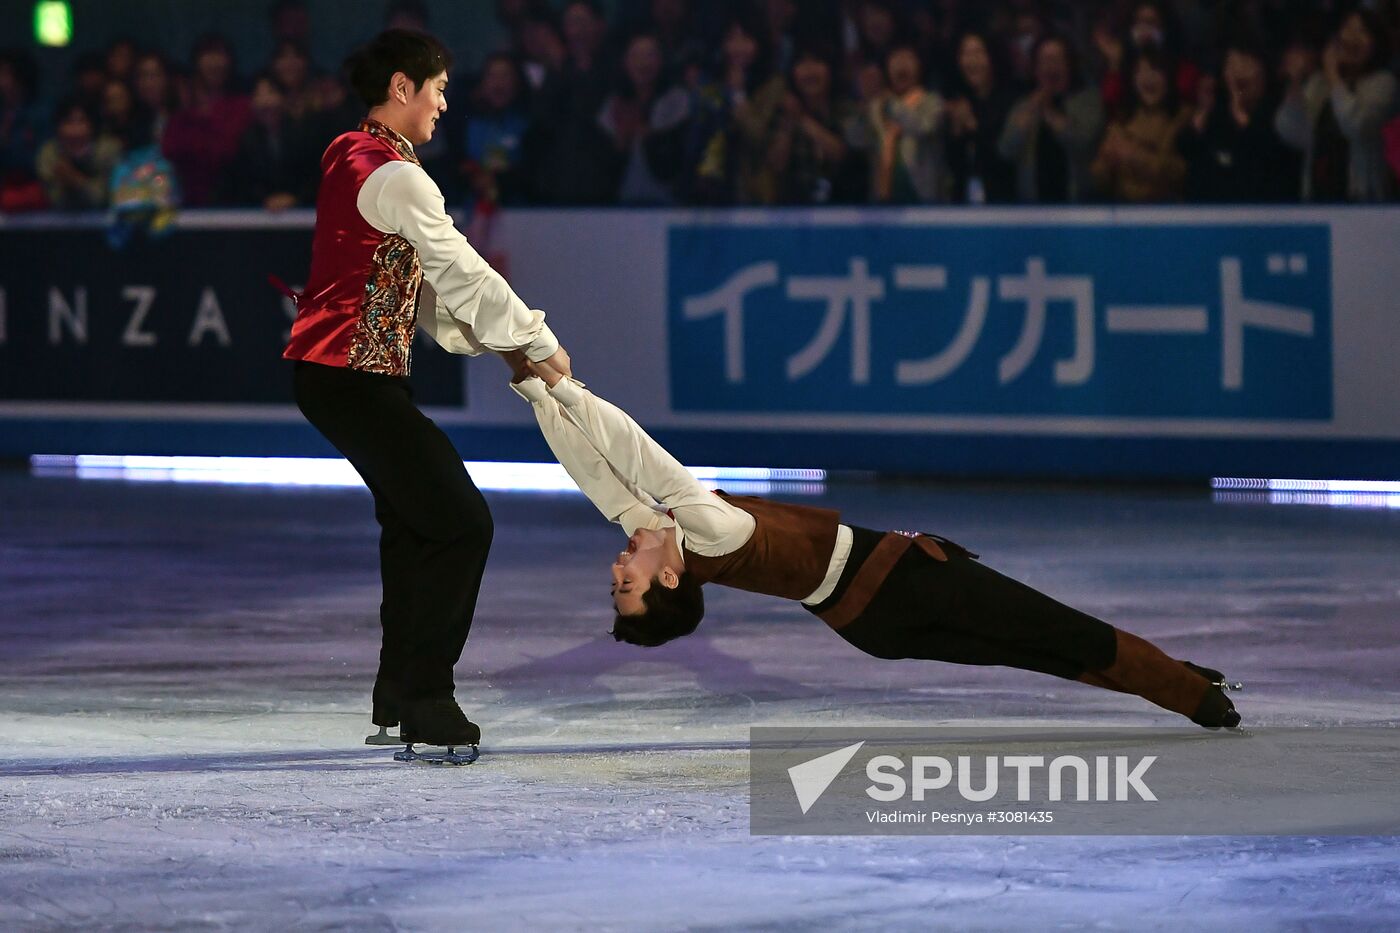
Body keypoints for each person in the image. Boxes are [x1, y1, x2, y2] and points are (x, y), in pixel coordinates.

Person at [507, 358, 1243, 730]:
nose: (616, 568)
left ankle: (1186, 680)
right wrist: (567, 387)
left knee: (1033, 647)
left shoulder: (649, 527)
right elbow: (636, 452)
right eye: (625, 584)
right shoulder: (708, 531)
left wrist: (537, 393)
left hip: (870, 625)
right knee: (1049, 630)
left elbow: (590, 467)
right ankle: (1196, 697)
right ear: (667, 582)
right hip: (901, 587)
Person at [282, 29, 571, 748]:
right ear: (403, 87)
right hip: (350, 377)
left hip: (345, 376)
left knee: (416, 525)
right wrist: (536, 340)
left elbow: (415, 287)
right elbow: (460, 270)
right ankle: (426, 697)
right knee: (461, 521)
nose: (445, 103)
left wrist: (504, 347)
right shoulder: (398, 176)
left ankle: (398, 689)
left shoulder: (353, 154)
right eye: (438, 89)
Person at [1276, 9, 1398, 203]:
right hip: (1318, 197)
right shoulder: (1319, 83)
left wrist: (1333, 74)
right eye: (1348, 29)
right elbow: (1293, 134)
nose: (1352, 38)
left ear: (1376, 43)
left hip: (1362, 201)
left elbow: (1356, 126)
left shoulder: (1383, 84)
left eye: (1362, 31)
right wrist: (1295, 83)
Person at [1179, 41, 1295, 203]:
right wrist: (1203, 111)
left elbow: (1268, 154)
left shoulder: (1279, 112)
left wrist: (1240, 114)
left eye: (1246, 63)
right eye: (1232, 64)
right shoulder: (1217, 113)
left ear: (1264, 70)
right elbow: (1185, 148)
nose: (1238, 71)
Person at [999, 33, 1105, 204]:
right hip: (1033, 207)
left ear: (1069, 65)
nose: (1050, 66)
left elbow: (1084, 142)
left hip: (1078, 205)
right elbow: (1006, 149)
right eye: (1044, 60)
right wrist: (1031, 109)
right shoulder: (1024, 104)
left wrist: (1048, 112)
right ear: (1035, 68)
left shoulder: (1088, 100)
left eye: (1056, 59)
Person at [1091, 44, 1188, 203]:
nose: (1147, 78)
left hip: (1167, 214)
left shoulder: (1181, 120)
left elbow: (1180, 174)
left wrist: (1133, 156)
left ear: (1168, 77)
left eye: (1154, 70)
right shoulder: (1121, 121)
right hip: (1125, 214)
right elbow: (1099, 179)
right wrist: (1106, 163)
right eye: (1139, 71)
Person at [849, 44, 945, 204]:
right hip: (883, 199)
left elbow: (923, 127)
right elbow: (856, 140)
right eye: (896, 60)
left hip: (923, 197)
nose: (901, 64)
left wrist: (892, 104)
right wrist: (864, 108)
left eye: (908, 59)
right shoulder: (876, 105)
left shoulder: (932, 102)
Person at [35, 98, 122, 210]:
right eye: (68, 122)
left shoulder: (108, 150)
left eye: (81, 121)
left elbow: (105, 198)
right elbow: (55, 200)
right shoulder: (49, 153)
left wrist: (76, 180)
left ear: (92, 126)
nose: (75, 130)